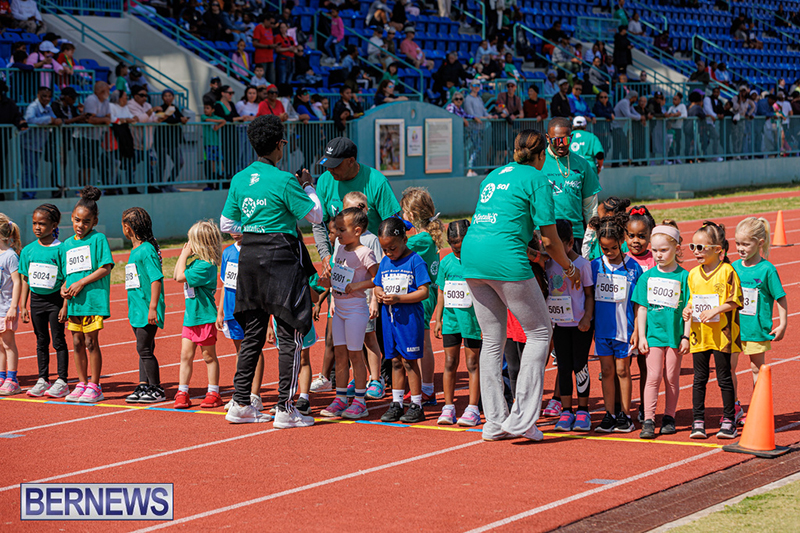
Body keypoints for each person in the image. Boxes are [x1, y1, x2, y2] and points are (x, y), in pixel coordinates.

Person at [461, 130, 581, 442]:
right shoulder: (537, 179)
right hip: (505, 261)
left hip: (471, 257)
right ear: (542, 155)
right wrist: (569, 268)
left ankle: (494, 422)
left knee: (492, 339)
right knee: (540, 333)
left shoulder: (493, 175)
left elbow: (498, 222)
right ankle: (523, 420)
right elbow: (550, 239)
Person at [220, 115, 323, 428]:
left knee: (252, 333)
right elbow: (315, 215)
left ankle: (240, 403)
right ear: (280, 144)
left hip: (250, 257)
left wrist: (255, 228)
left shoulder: (239, 179)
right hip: (281, 258)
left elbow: (226, 223)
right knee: (290, 334)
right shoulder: (285, 180)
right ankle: (285, 408)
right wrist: (308, 185)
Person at [682, 221, 742, 440]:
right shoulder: (693, 274)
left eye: (701, 247)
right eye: (693, 247)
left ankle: (729, 420)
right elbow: (692, 300)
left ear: (718, 250)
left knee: (724, 378)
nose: (696, 252)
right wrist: (687, 310)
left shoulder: (727, 271)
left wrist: (716, 310)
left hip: (722, 335)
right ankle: (698, 421)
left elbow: (735, 300)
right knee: (699, 378)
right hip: (700, 335)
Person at [318, 208, 378, 419]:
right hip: (339, 310)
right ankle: (341, 398)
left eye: (342, 230)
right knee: (340, 356)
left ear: (358, 231)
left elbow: (377, 278)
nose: (337, 234)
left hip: (355, 310)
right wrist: (327, 282)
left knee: (355, 355)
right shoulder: (340, 250)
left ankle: (360, 401)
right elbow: (338, 277)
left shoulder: (365, 253)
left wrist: (358, 286)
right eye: (337, 229)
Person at [633, 222, 690, 439]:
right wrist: (642, 336)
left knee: (671, 377)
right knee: (653, 376)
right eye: (655, 250)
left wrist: (685, 336)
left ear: (677, 248)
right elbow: (642, 308)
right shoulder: (646, 277)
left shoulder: (684, 277)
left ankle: (669, 416)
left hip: (674, 335)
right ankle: (649, 419)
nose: (658, 255)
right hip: (654, 335)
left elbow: (689, 310)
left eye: (664, 250)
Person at [374, 218, 431, 423]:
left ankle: (416, 404)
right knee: (395, 361)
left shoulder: (415, 261)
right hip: (389, 320)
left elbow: (424, 291)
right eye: (385, 249)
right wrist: (378, 292)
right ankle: (397, 403)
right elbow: (377, 284)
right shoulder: (385, 262)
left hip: (409, 320)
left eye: (393, 248)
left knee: (409, 361)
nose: (389, 253)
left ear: (404, 240)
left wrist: (399, 298)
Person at [731, 218, 788, 425]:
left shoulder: (767, 269)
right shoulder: (733, 267)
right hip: (734, 329)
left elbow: (780, 297)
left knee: (757, 369)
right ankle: (733, 407)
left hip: (756, 329)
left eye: (746, 244)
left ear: (760, 243)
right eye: (738, 243)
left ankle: (757, 409)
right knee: (728, 368)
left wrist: (782, 324)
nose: (740, 248)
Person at [589, 213, 643, 433]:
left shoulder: (634, 267)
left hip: (624, 330)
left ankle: (625, 415)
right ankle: (609, 414)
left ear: (621, 242)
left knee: (623, 371)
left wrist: (637, 330)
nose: (609, 252)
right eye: (605, 249)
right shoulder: (595, 266)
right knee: (606, 371)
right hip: (603, 330)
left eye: (613, 248)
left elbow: (638, 303)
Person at [312, 137, 401, 269]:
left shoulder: (377, 182)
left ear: (351, 161)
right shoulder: (324, 181)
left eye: (335, 165)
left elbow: (393, 225)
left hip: (372, 264)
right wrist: (325, 255)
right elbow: (319, 224)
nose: (330, 169)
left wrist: (385, 261)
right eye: (328, 164)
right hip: (341, 264)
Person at [61, 187, 114, 403]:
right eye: (77, 220)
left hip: (92, 300)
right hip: (74, 303)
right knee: (76, 342)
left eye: (86, 221)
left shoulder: (98, 239)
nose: (80, 225)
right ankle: (81, 383)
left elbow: (105, 268)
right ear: (71, 218)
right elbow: (67, 274)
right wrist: (64, 292)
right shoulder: (66, 244)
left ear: (94, 221)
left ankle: (95, 385)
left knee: (91, 342)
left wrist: (82, 283)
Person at [544, 219, 594, 432]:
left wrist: (586, 318)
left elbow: (589, 295)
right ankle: (566, 411)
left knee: (580, 366)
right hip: (560, 325)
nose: (553, 250)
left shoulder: (582, 265)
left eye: (558, 245)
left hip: (580, 325)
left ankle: (583, 411)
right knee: (563, 367)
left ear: (570, 242)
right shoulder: (548, 263)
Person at [433, 220, 482, 426]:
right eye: (453, 243)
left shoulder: (478, 260)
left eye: (461, 243)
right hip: (451, 320)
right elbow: (441, 292)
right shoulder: (446, 263)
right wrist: (438, 319)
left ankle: (473, 408)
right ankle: (448, 407)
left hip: (472, 320)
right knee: (450, 362)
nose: (457, 247)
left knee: (472, 363)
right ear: (448, 241)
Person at [400, 188, 444, 405]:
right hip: (424, 294)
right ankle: (423, 388)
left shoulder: (421, 239)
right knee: (419, 342)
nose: (402, 215)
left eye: (404, 212)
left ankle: (427, 388)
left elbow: (397, 248)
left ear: (412, 214)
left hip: (424, 296)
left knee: (423, 343)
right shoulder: (424, 237)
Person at [173, 221, 223, 410]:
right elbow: (176, 275)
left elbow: (179, 277)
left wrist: (183, 255)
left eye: (191, 240)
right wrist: (185, 256)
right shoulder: (195, 263)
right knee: (185, 355)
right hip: (191, 318)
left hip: (205, 319)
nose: (188, 244)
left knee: (209, 356)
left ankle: (213, 392)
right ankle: (182, 391)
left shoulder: (206, 266)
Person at [19, 205, 68, 397]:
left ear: (54, 225)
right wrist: (23, 305)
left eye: (42, 224)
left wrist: (65, 305)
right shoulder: (28, 250)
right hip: (36, 301)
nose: (37, 227)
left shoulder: (61, 249)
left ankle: (62, 380)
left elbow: (67, 278)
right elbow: (25, 278)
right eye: (34, 223)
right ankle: (43, 379)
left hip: (56, 300)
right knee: (41, 340)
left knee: (58, 340)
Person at [121, 207, 166, 404]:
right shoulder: (136, 250)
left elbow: (156, 279)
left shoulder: (146, 250)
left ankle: (156, 388)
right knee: (144, 349)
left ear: (127, 228)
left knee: (144, 349)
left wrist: (153, 307)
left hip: (147, 309)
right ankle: (143, 384)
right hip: (137, 309)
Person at [218, 231, 266, 412]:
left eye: (238, 228)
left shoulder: (256, 250)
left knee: (255, 349)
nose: (234, 233)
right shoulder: (228, 252)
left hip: (251, 307)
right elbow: (225, 283)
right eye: (231, 229)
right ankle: (241, 393)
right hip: (232, 308)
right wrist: (220, 310)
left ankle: (255, 395)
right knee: (240, 351)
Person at [542, 117, 601, 251]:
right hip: (545, 234)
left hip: (574, 235)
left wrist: (592, 235)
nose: (561, 145)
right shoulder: (538, 161)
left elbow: (590, 206)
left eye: (565, 140)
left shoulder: (582, 164)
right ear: (547, 138)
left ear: (571, 137)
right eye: (556, 140)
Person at [21, 87, 61, 200]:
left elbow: (54, 118)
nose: (47, 99)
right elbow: (30, 120)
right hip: (28, 144)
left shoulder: (48, 107)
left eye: (49, 96)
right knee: (29, 171)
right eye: (44, 96)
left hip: (38, 145)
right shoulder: (33, 107)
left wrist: (54, 120)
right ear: (38, 95)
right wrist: (48, 120)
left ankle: (31, 194)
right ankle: (28, 196)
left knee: (33, 171)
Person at [0, 215, 21, 396]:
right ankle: (1, 376)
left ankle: (12, 379)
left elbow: (17, 281)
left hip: (6, 308)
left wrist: (14, 306)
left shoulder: (10, 256)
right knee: (0, 345)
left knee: (8, 344)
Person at [611, 90, 641, 164]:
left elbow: (634, 113)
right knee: (621, 144)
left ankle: (619, 162)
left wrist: (640, 116)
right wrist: (640, 118)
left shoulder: (629, 104)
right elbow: (628, 115)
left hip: (619, 127)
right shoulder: (625, 102)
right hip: (615, 127)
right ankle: (621, 162)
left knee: (620, 145)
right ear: (633, 97)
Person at [253, 12, 276, 83]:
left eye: (273, 23)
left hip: (270, 57)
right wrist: (268, 46)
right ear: (265, 20)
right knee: (261, 80)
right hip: (261, 58)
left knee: (272, 80)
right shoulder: (258, 28)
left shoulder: (270, 29)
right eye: (271, 23)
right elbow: (255, 43)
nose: (272, 25)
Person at [666, 92, 688, 161]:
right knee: (670, 143)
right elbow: (668, 116)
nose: (673, 101)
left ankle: (678, 157)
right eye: (673, 99)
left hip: (678, 128)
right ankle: (670, 158)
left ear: (679, 100)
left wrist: (676, 116)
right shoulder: (671, 108)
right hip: (671, 128)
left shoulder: (682, 106)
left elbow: (685, 115)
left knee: (678, 142)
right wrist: (675, 115)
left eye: (675, 99)